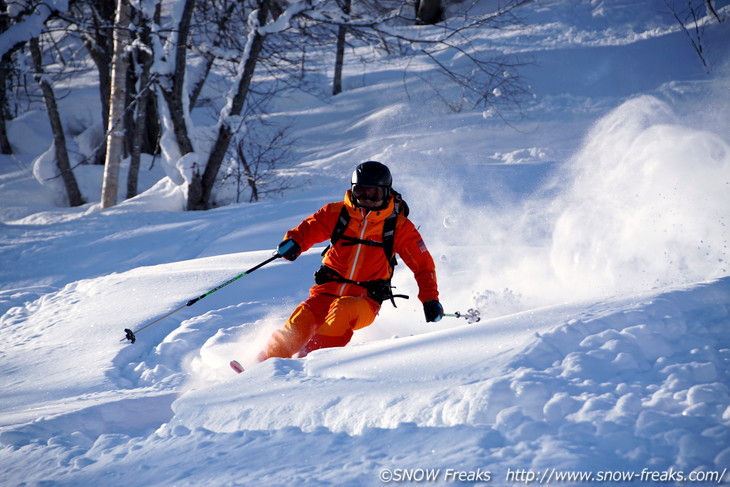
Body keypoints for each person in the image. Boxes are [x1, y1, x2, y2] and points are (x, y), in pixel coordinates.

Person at [257, 160, 444, 362]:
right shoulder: (337, 213)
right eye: (360, 192)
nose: (367, 200)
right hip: (326, 292)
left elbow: (423, 266)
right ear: (352, 190)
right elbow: (308, 229)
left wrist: (430, 299)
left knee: (343, 310)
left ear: (386, 193)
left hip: (365, 300)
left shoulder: (399, 227)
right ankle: (265, 363)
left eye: (374, 194)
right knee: (302, 318)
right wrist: (293, 243)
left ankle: (307, 362)